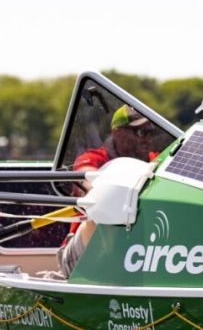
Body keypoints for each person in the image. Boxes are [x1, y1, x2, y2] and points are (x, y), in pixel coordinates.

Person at [57, 105, 155, 277]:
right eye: (140, 132)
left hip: (135, 251)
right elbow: (87, 181)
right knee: (104, 202)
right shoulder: (94, 159)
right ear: (117, 133)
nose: (147, 139)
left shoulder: (155, 162)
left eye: (150, 133)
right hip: (80, 255)